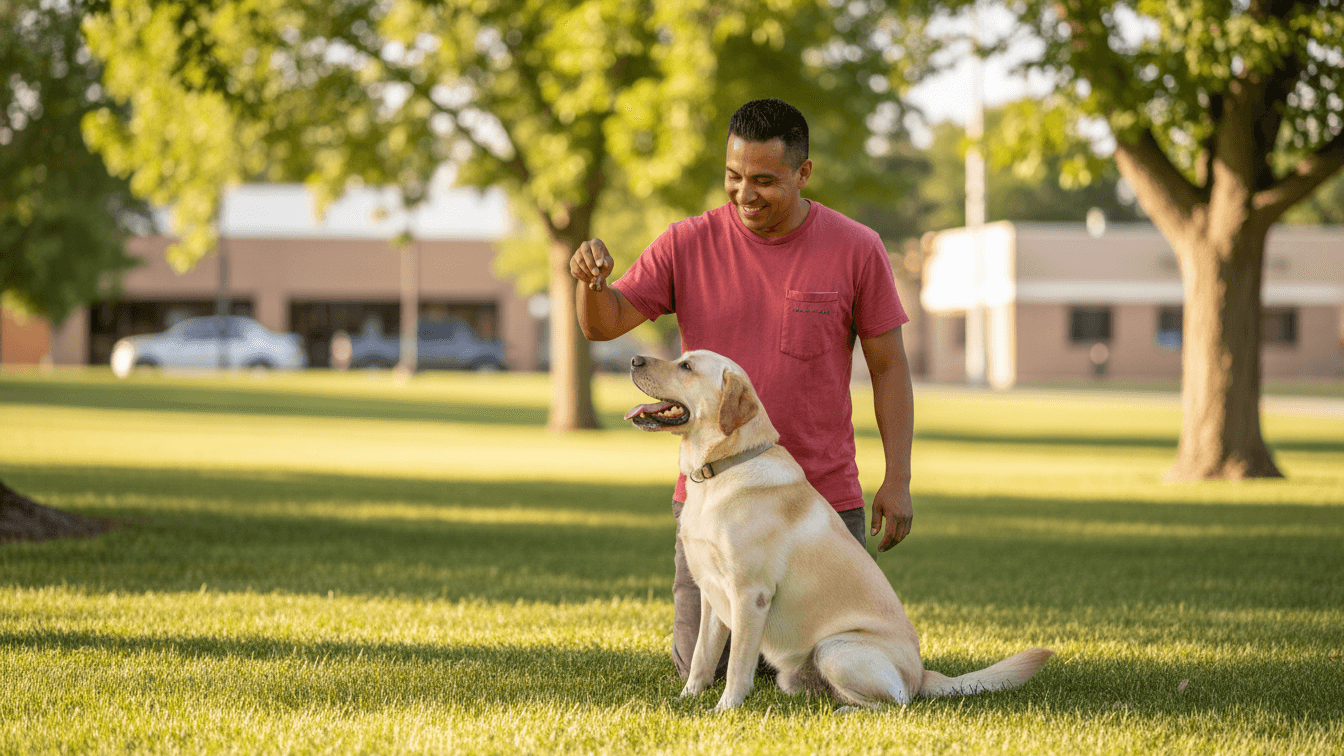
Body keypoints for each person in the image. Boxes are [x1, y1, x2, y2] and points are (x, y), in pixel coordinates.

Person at [569, 98, 915, 681]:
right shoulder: (687, 242)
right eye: (733, 177)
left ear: (804, 174)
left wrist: (898, 479)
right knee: (696, 673)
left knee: (825, 682)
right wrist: (590, 283)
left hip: (820, 503)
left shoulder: (856, 247)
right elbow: (604, 322)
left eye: (764, 180)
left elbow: (889, 367)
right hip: (712, 499)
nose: (745, 194)